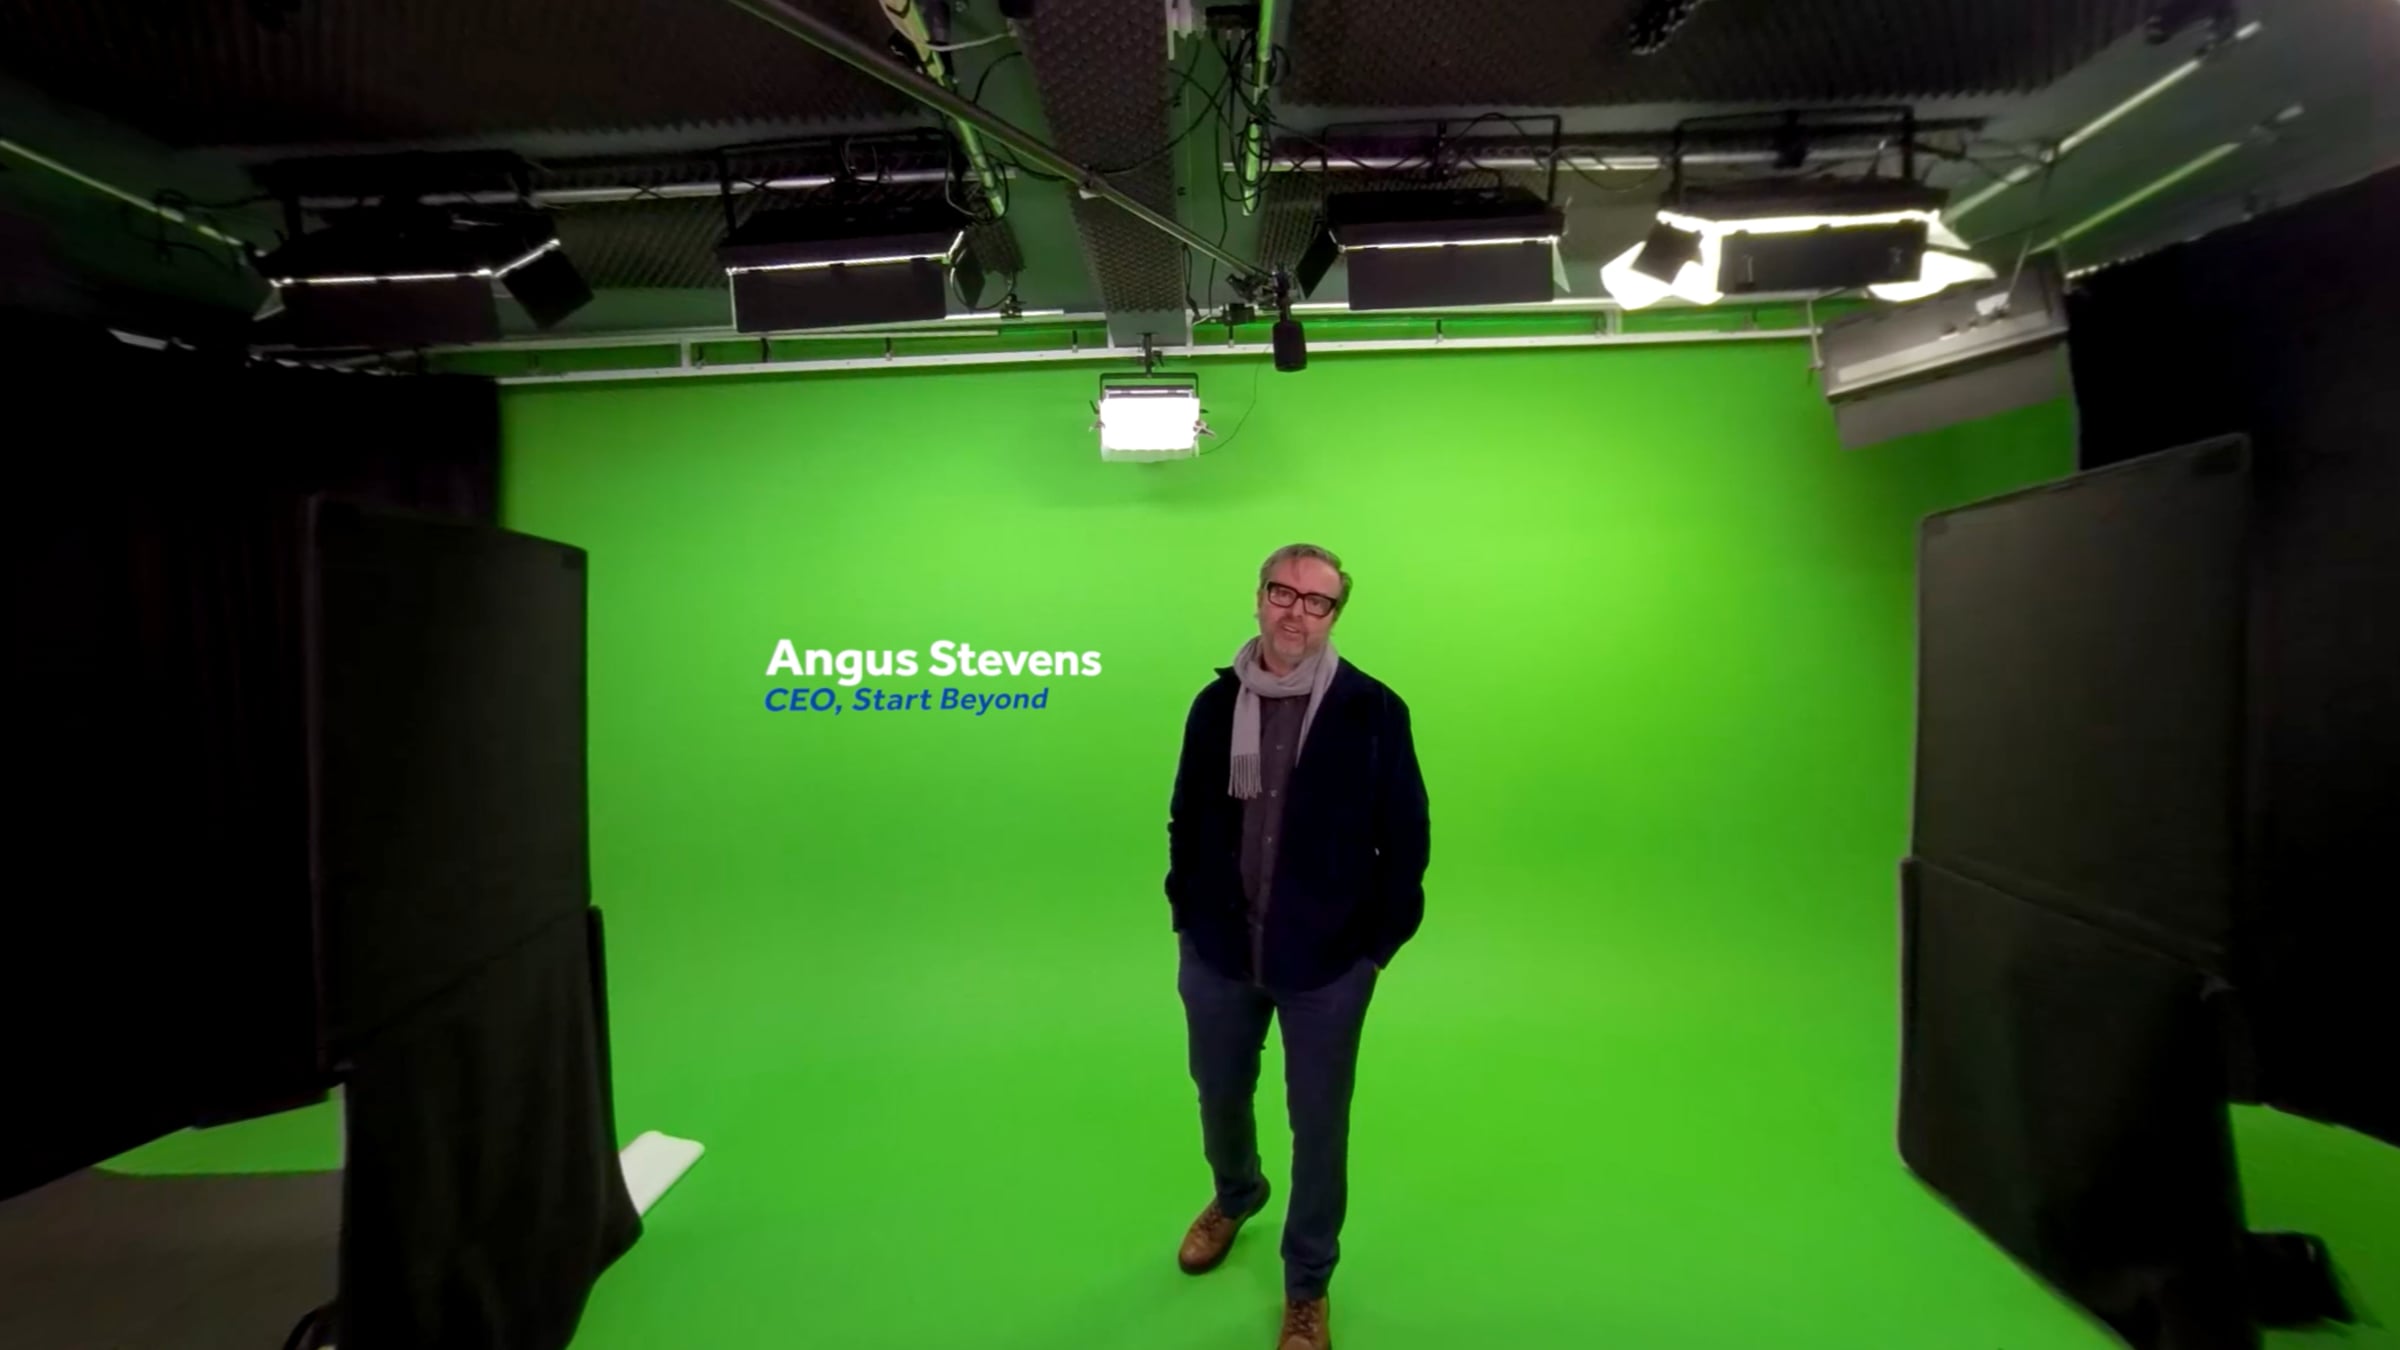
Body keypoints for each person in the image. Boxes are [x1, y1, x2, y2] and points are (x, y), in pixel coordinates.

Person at [1162, 542, 1431, 1350]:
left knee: (1318, 1127)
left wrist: (1372, 952)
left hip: (1326, 967)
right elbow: (1185, 816)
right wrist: (1187, 912)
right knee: (1218, 1093)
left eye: (1318, 601)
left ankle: (1307, 1284)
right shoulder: (1215, 707)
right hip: (1219, 953)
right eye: (1284, 592)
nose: (1296, 612)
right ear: (1259, 597)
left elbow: (1406, 841)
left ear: (1334, 616)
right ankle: (1237, 1193)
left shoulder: (1374, 711)